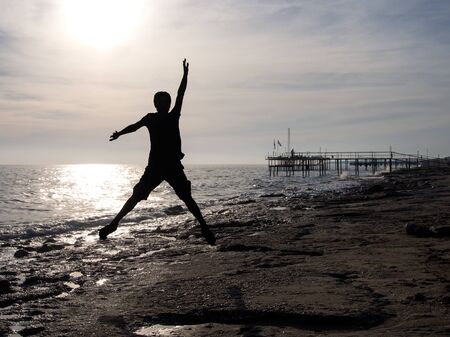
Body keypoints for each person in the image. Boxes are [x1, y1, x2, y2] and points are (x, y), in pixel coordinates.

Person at [99, 59, 216, 245]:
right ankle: (113, 224)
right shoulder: (151, 118)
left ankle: (204, 227)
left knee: (186, 197)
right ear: (155, 104)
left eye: (166, 101)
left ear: (168, 104)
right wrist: (120, 133)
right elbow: (134, 127)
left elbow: (181, 93)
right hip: (155, 167)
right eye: (161, 101)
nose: (164, 104)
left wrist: (185, 76)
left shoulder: (172, 115)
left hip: (171, 166)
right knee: (137, 196)